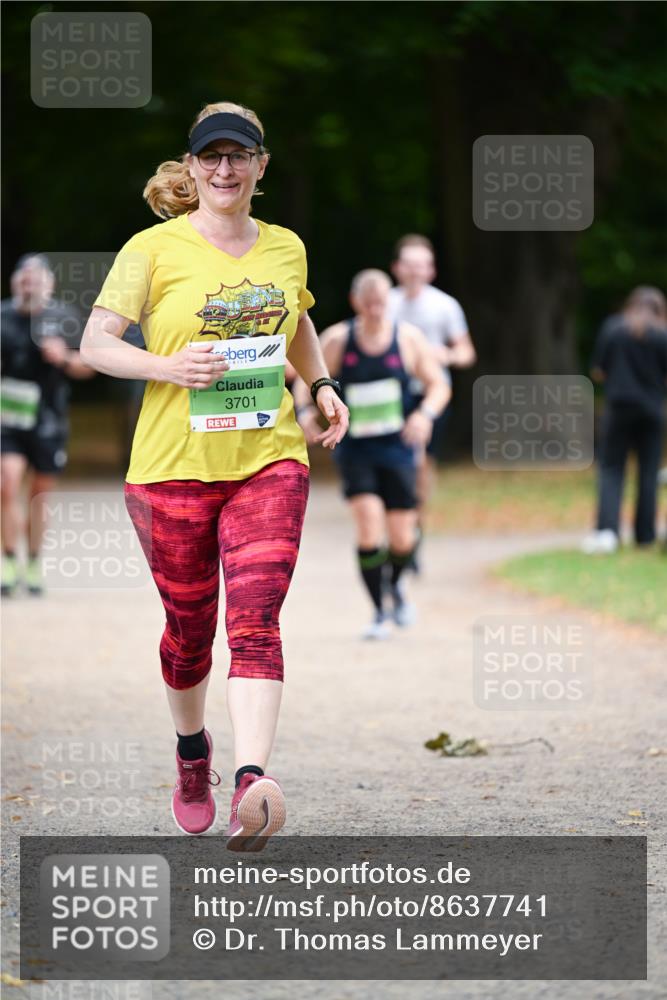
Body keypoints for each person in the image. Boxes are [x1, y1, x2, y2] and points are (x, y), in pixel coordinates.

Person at [79, 101, 349, 846]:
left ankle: (250, 781)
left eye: (239, 156)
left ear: (261, 166)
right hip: (170, 470)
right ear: (192, 168)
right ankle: (192, 752)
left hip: (268, 459)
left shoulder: (286, 247)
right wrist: (166, 366)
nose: (225, 169)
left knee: (256, 620)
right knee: (189, 631)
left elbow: (296, 320)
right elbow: (96, 343)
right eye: (211, 157)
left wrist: (321, 384)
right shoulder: (151, 249)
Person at [296, 269, 449, 639]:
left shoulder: (408, 339)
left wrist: (425, 415)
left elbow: (439, 385)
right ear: (356, 303)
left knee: (403, 537)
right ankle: (379, 611)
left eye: (381, 303)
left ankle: (395, 586)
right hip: (356, 450)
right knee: (368, 524)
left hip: (398, 449)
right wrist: (304, 412)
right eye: (369, 304)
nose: (376, 310)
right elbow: (305, 377)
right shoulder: (338, 340)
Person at [1, 254, 95, 597]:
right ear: (15, 284)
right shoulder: (2, 316)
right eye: (24, 280)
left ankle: (33, 561)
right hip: (8, 418)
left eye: (36, 280)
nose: (29, 286)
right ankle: (9, 561)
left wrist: (64, 357)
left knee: (39, 495)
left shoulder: (64, 318)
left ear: (49, 285)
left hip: (48, 419)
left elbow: (90, 365)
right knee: (7, 483)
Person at [388, 235, 476, 554]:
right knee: (393, 461)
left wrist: (445, 355)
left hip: (431, 394)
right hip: (392, 394)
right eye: (409, 264)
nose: (415, 271)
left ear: (432, 270)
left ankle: (416, 525)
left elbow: (467, 353)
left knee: (422, 461)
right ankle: (397, 524)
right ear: (397, 268)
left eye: (421, 265)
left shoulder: (445, 305)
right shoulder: (385, 302)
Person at [582, 286, 667, 554]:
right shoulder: (663, 334)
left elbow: (598, 371)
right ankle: (645, 536)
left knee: (611, 469)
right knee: (648, 472)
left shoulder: (613, 328)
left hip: (618, 409)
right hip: (652, 410)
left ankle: (607, 532)